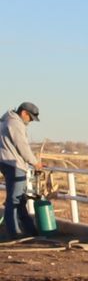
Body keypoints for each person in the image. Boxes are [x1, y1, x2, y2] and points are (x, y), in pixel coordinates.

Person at [0, 102, 43, 241]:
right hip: (14, 164)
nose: (29, 122)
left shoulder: (6, 120)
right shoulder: (15, 123)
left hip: (6, 162)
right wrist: (34, 162)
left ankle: (30, 230)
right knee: (14, 200)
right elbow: (22, 146)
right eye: (30, 118)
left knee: (19, 199)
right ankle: (14, 233)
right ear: (24, 113)